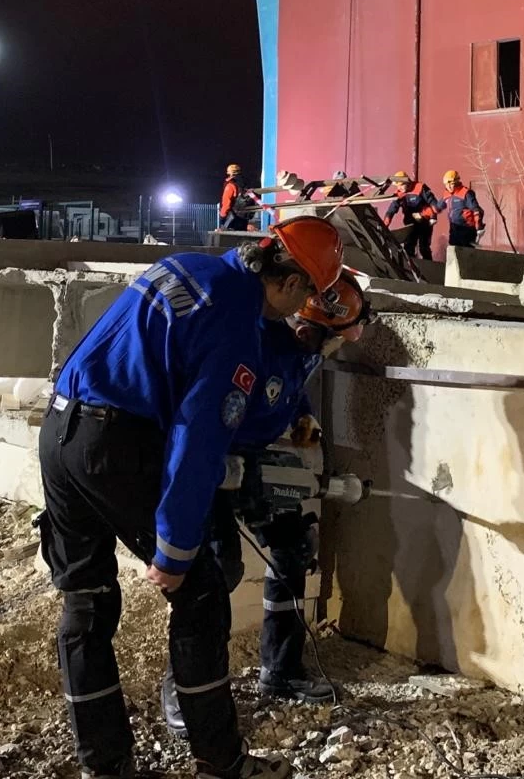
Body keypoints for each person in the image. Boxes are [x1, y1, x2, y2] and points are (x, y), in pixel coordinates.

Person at [36, 216, 344, 779]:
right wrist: (175, 547)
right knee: (200, 590)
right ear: (294, 282)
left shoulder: (189, 265)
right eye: (304, 297)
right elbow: (200, 434)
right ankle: (219, 763)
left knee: (87, 601)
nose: (297, 313)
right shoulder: (236, 323)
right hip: (116, 443)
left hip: (60, 430)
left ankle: (104, 766)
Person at [161, 271, 370, 737]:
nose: (336, 347)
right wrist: (218, 472)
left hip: (256, 456)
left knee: (294, 546)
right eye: (335, 337)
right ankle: (184, 685)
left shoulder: (304, 350)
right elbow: (206, 416)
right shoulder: (249, 343)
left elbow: (288, 387)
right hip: (210, 460)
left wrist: (301, 416)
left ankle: (282, 670)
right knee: (216, 572)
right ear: (306, 327)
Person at [383, 170, 441, 260]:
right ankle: (411, 270)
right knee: (408, 247)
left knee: (424, 248)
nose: (399, 188)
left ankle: (429, 269)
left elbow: (434, 205)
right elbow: (391, 210)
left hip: (424, 223)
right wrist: (384, 226)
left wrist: (428, 215)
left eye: (401, 185)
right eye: (397, 186)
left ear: (407, 182)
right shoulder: (399, 193)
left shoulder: (420, 188)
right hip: (410, 224)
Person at [439, 170, 485, 250]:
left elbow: (476, 210)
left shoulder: (466, 193)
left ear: (457, 182)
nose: (449, 186)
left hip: (466, 229)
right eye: (447, 184)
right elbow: (437, 207)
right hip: (454, 228)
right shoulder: (447, 194)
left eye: (451, 184)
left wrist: (479, 227)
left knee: (466, 252)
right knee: (453, 250)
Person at [219, 164, 257, 231]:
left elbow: (226, 203)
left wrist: (222, 216)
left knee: (228, 239)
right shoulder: (245, 184)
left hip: (232, 219)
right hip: (244, 219)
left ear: (229, 172)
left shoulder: (230, 185)